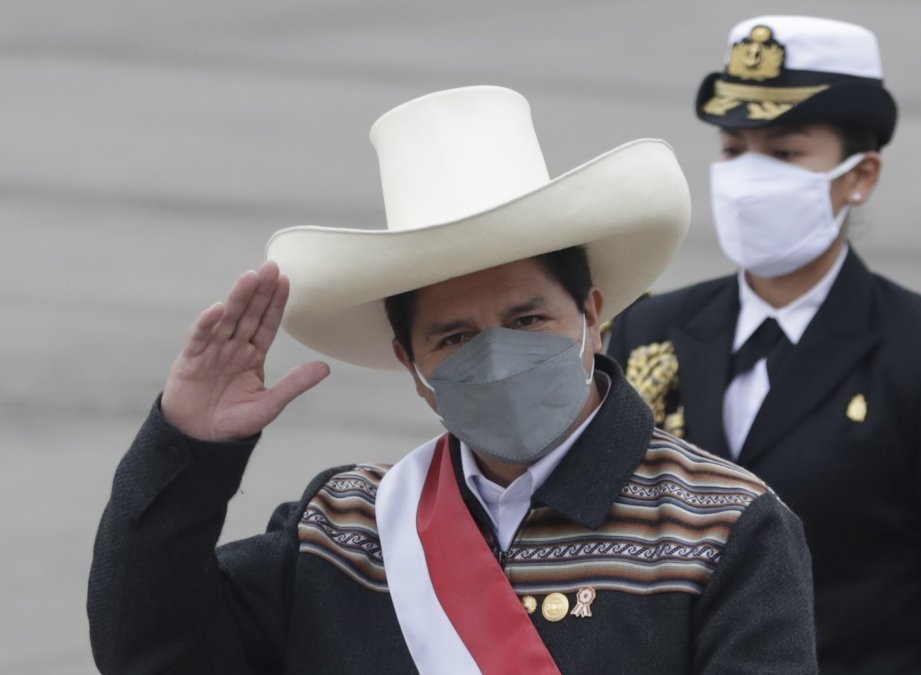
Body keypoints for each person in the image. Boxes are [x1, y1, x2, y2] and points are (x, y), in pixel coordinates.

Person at [87, 85, 818, 674]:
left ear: (592, 312)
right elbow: (150, 651)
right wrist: (188, 450)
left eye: (528, 319)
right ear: (411, 363)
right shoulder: (345, 525)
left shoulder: (720, 526)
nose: (496, 358)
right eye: (456, 336)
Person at [606, 16, 921, 675]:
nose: (748, 177)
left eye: (783, 153)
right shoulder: (651, 330)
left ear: (859, 176)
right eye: (733, 149)